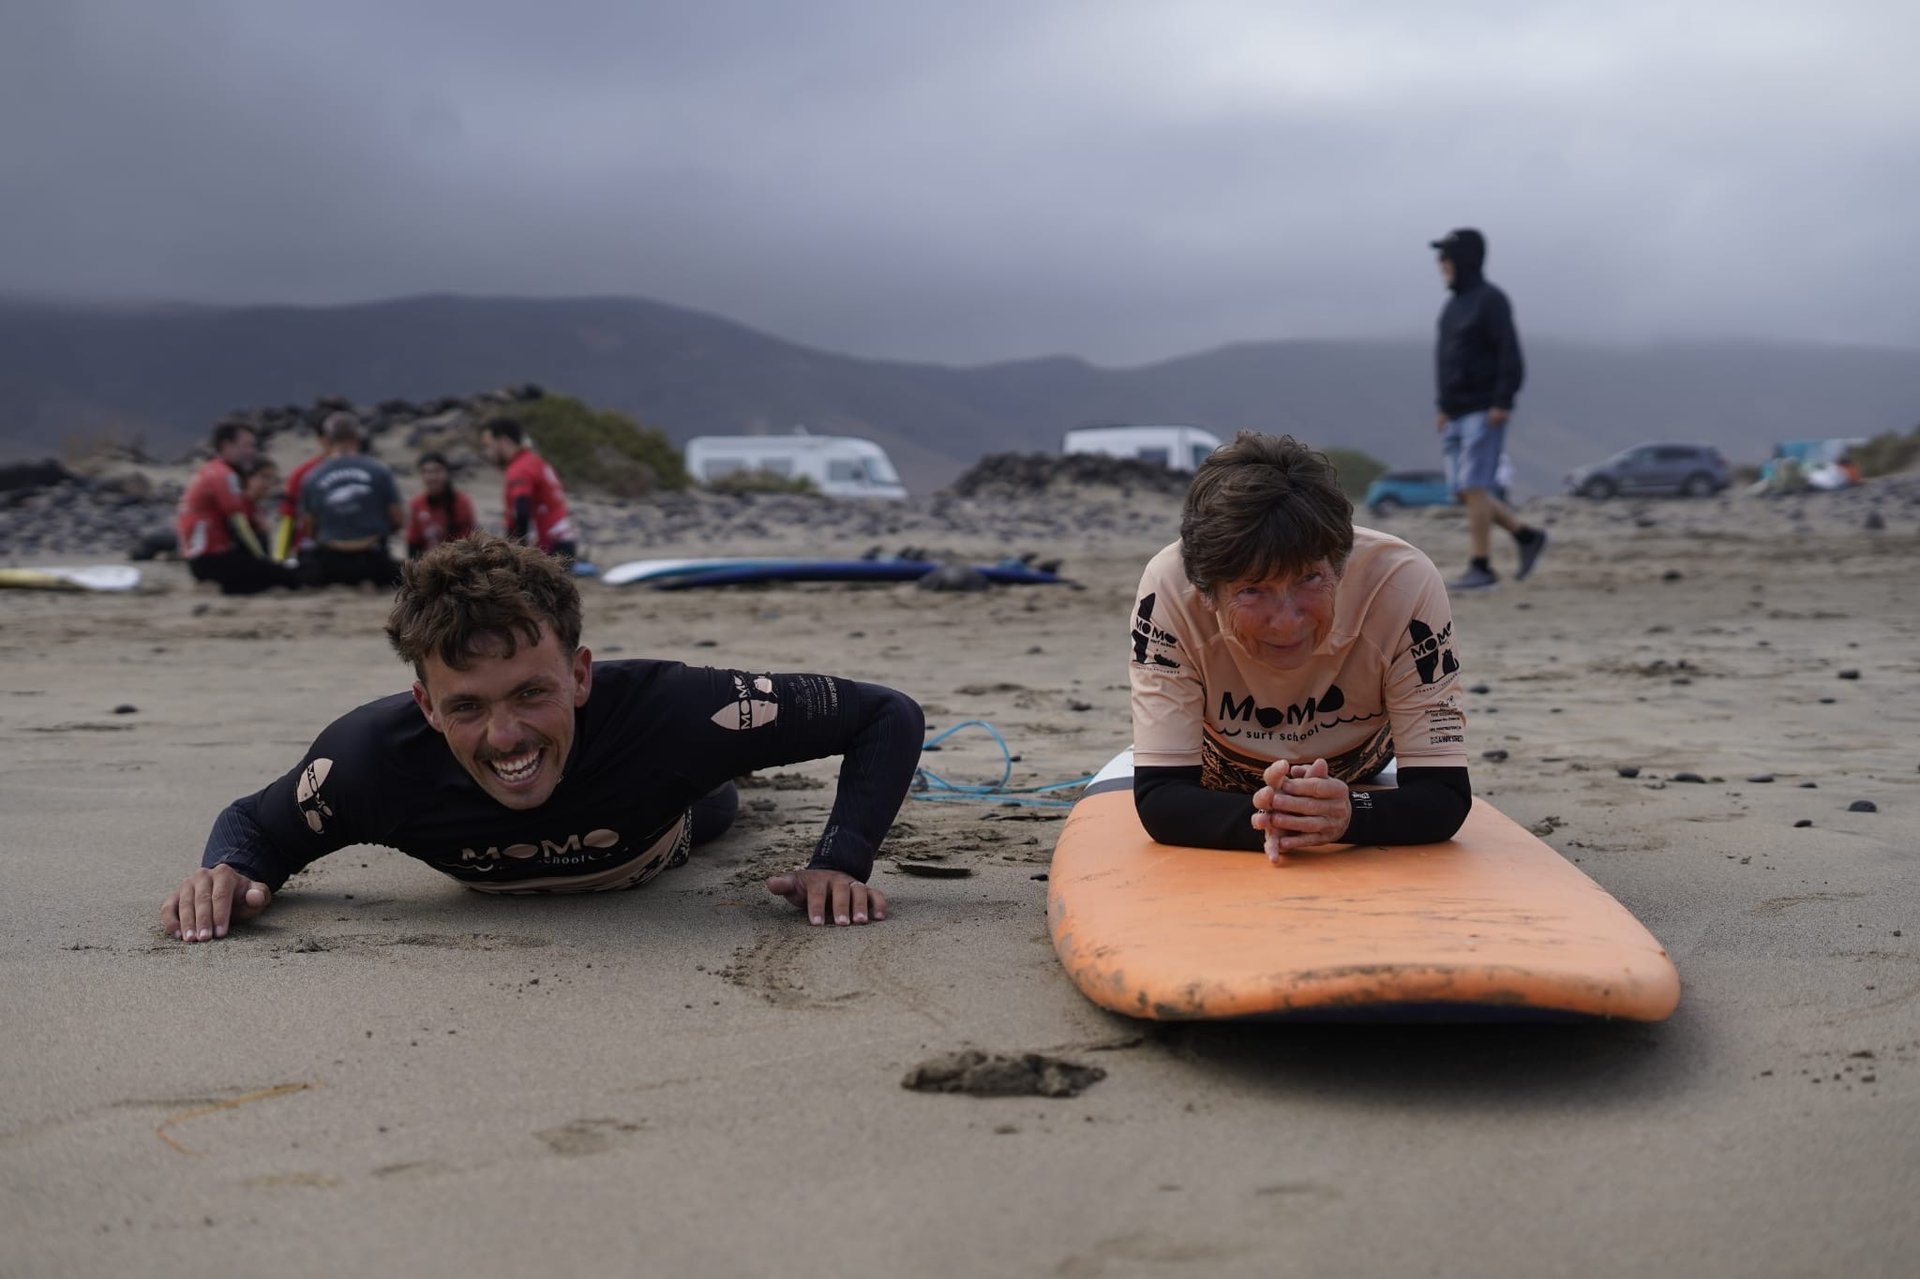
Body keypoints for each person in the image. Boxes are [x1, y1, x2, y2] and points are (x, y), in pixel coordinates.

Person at [161, 534, 923, 942]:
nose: (505, 735)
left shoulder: (676, 710)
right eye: (466, 706)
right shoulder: (367, 763)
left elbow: (885, 714)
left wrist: (840, 860)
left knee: (718, 792)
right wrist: (227, 875)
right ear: (426, 706)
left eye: (532, 692)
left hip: (675, 822)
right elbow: (256, 825)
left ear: (581, 674)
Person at [1128, 432, 1471, 861]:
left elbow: (1444, 794)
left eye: (1309, 579)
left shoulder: (1403, 582)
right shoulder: (1168, 588)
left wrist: (1351, 814)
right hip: (1220, 762)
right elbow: (1160, 799)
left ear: (1341, 566)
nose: (1287, 621)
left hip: (1357, 760)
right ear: (1204, 591)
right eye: (1252, 589)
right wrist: (1283, 820)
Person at [1430, 227, 1547, 591]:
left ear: (1463, 260)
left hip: (1485, 409)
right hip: (1455, 411)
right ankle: (1527, 536)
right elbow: (1446, 360)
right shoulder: (1451, 308)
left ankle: (1481, 567)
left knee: (1475, 485)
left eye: (1446, 257)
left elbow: (1510, 353)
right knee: (1462, 490)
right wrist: (1444, 406)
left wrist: (1502, 401)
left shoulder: (1491, 300)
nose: (1441, 264)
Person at [176, 422, 300, 595]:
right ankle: (224, 586)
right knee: (289, 577)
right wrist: (263, 560)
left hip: (200, 556)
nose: (251, 451)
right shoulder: (223, 475)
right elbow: (239, 524)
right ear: (227, 446)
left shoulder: (210, 471)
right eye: (246, 446)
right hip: (211, 558)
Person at [297, 415, 405, 589]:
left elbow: (308, 527)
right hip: (373, 559)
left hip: (330, 562)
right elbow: (397, 517)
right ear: (357, 437)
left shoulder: (312, 477)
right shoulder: (379, 470)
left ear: (327, 440)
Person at [482, 418, 578, 561]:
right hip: (563, 538)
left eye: (489, 445)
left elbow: (522, 511)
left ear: (503, 441)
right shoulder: (535, 461)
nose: (487, 452)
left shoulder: (520, 468)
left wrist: (517, 552)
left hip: (548, 546)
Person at [274, 416, 332, 562]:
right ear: (321, 440)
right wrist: (279, 559)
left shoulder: (369, 472)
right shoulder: (303, 474)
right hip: (313, 553)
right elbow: (288, 518)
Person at [405, 451, 477, 558]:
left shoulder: (461, 502)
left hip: (456, 560)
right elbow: (413, 542)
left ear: (446, 473)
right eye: (425, 472)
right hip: (426, 561)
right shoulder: (417, 504)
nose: (431, 477)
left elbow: (467, 542)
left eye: (436, 471)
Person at [241, 458, 281, 547]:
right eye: (264, 477)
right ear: (248, 477)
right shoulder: (240, 507)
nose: (268, 484)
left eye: (272, 479)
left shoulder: (258, 508)